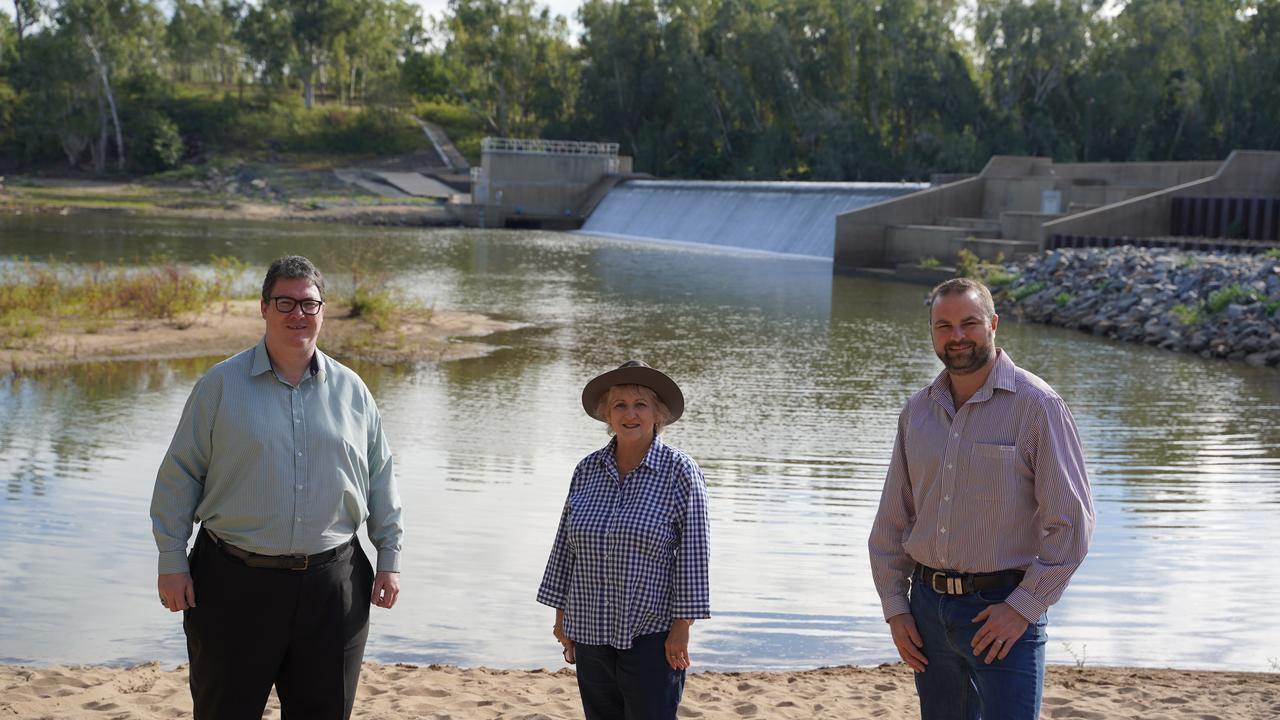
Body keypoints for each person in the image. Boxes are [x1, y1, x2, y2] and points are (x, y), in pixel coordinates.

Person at [150, 255, 403, 720]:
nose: (297, 314)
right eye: (284, 302)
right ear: (263, 308)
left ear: (323, 311)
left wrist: (389, 558)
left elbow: (381, 477)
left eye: (308, 304)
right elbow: (179, 475)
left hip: (333, 588)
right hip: (232, 585)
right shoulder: (219, 386)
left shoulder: (354, 392)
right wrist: (172, 560)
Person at [868, 278, 1094, 720]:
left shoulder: (1038, 406)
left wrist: (1022, 608)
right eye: (944, 326)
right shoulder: (917, 412)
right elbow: (893, 522)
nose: (956, 337)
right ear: (931, 332)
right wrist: (896, 608)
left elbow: (1071, 524)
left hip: (1003, 614)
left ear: (993, 324)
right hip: (927, 612)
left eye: (969, 323)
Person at [537, 360, 711, 720]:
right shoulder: (586, 470)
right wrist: (561, 618)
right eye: (620, 405)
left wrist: (682, 628)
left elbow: (694, 555)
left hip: (651, 632)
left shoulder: (680, 471)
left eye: (640, 405)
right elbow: (565, 548)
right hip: (588, 628)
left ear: (657, 414)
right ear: (607, 415)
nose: (630, 414)